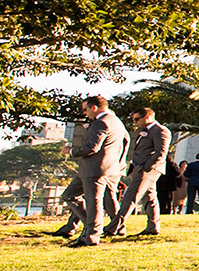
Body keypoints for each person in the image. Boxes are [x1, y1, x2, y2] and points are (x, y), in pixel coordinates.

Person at [66, 95, 128, 247]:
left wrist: (72, 151)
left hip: (95, 168)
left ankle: (92, 235)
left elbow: (93, 147)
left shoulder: (100, 123)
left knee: (94, 202)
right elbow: (126, 142)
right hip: (107, 168)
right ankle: (93, 227)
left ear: (94, 107)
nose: (85, 113)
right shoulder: (116, 121)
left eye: (85, 109)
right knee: (69, 195)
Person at [107, 106, 171, 237]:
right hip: (140, 167)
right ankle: (153, 226)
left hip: (148, 170)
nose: (135, 122)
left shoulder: (160, 131)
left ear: (147, 117)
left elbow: (161, 153)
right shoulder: (144, 131)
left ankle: (114, 227)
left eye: (137, 119)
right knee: (150, 198)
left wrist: (146, 167)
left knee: (131, 196)